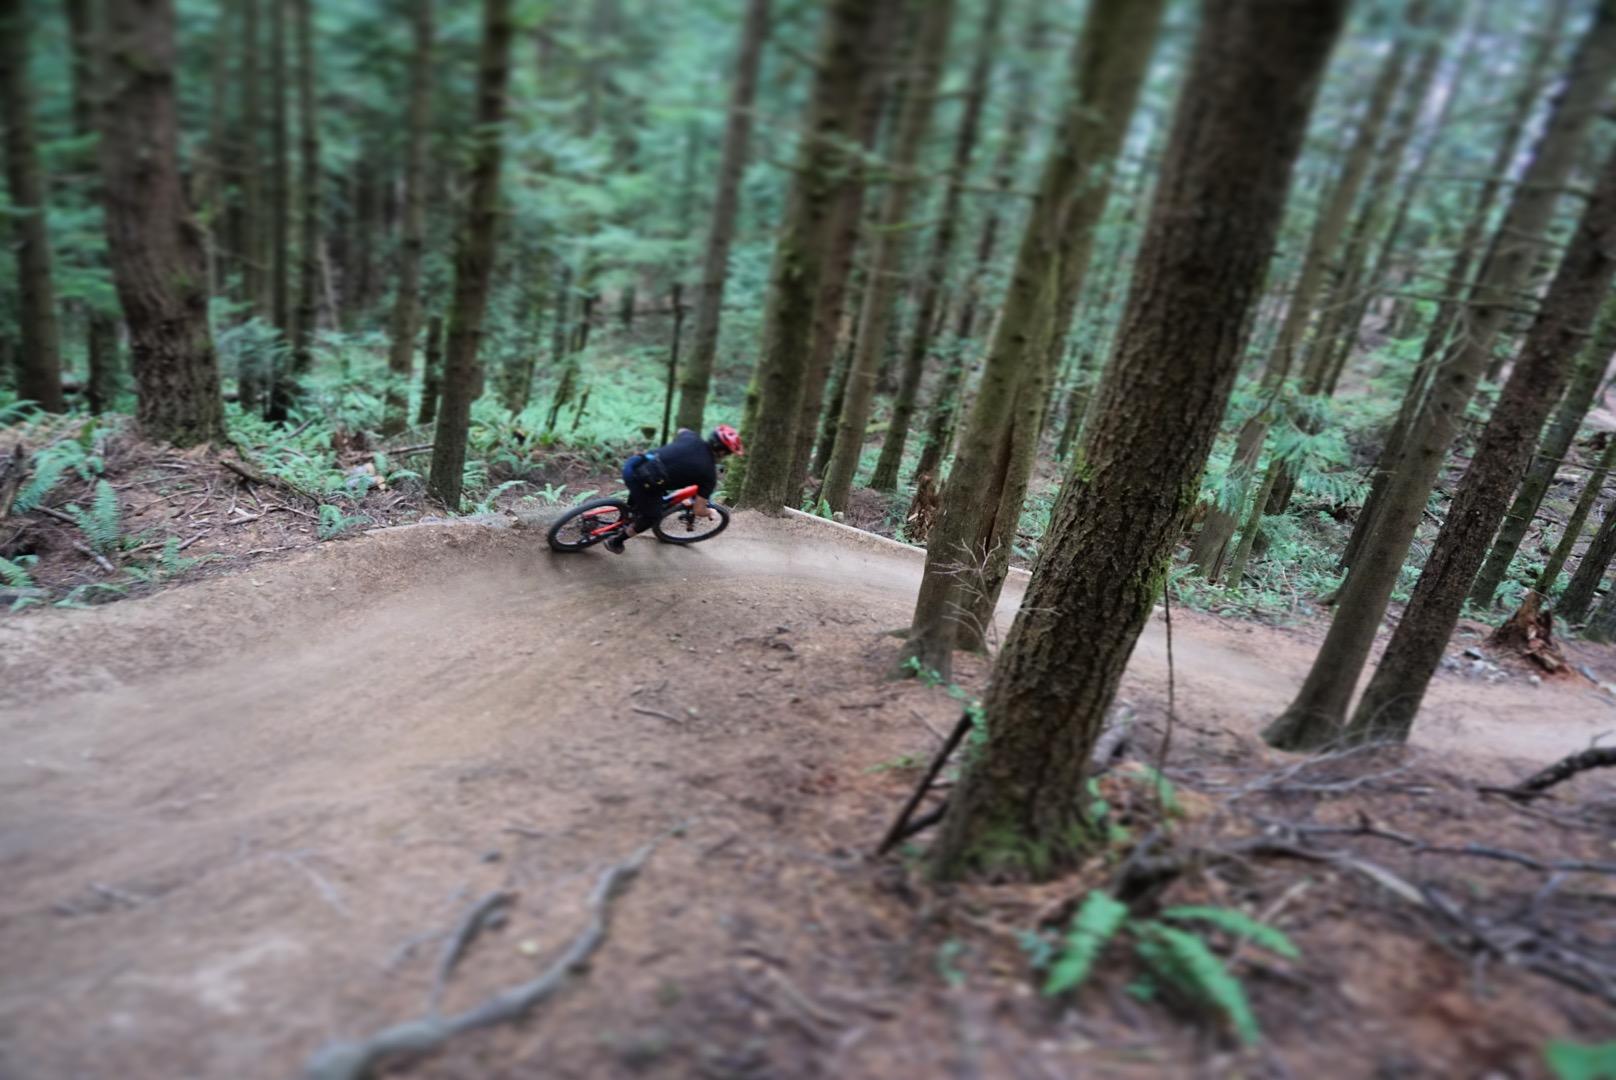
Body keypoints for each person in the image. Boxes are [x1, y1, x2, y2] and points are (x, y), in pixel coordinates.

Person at [607, 424, 744, 552]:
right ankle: (616, 541)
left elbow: (681, 430)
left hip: (633, 465)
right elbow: (698, 509)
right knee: (652, 516)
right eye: (727, 453)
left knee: (645, 497)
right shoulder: (708, 475)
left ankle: (628, 514)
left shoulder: (691, 437)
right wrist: (709, 512)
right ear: (721, 452)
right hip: (643, 482)